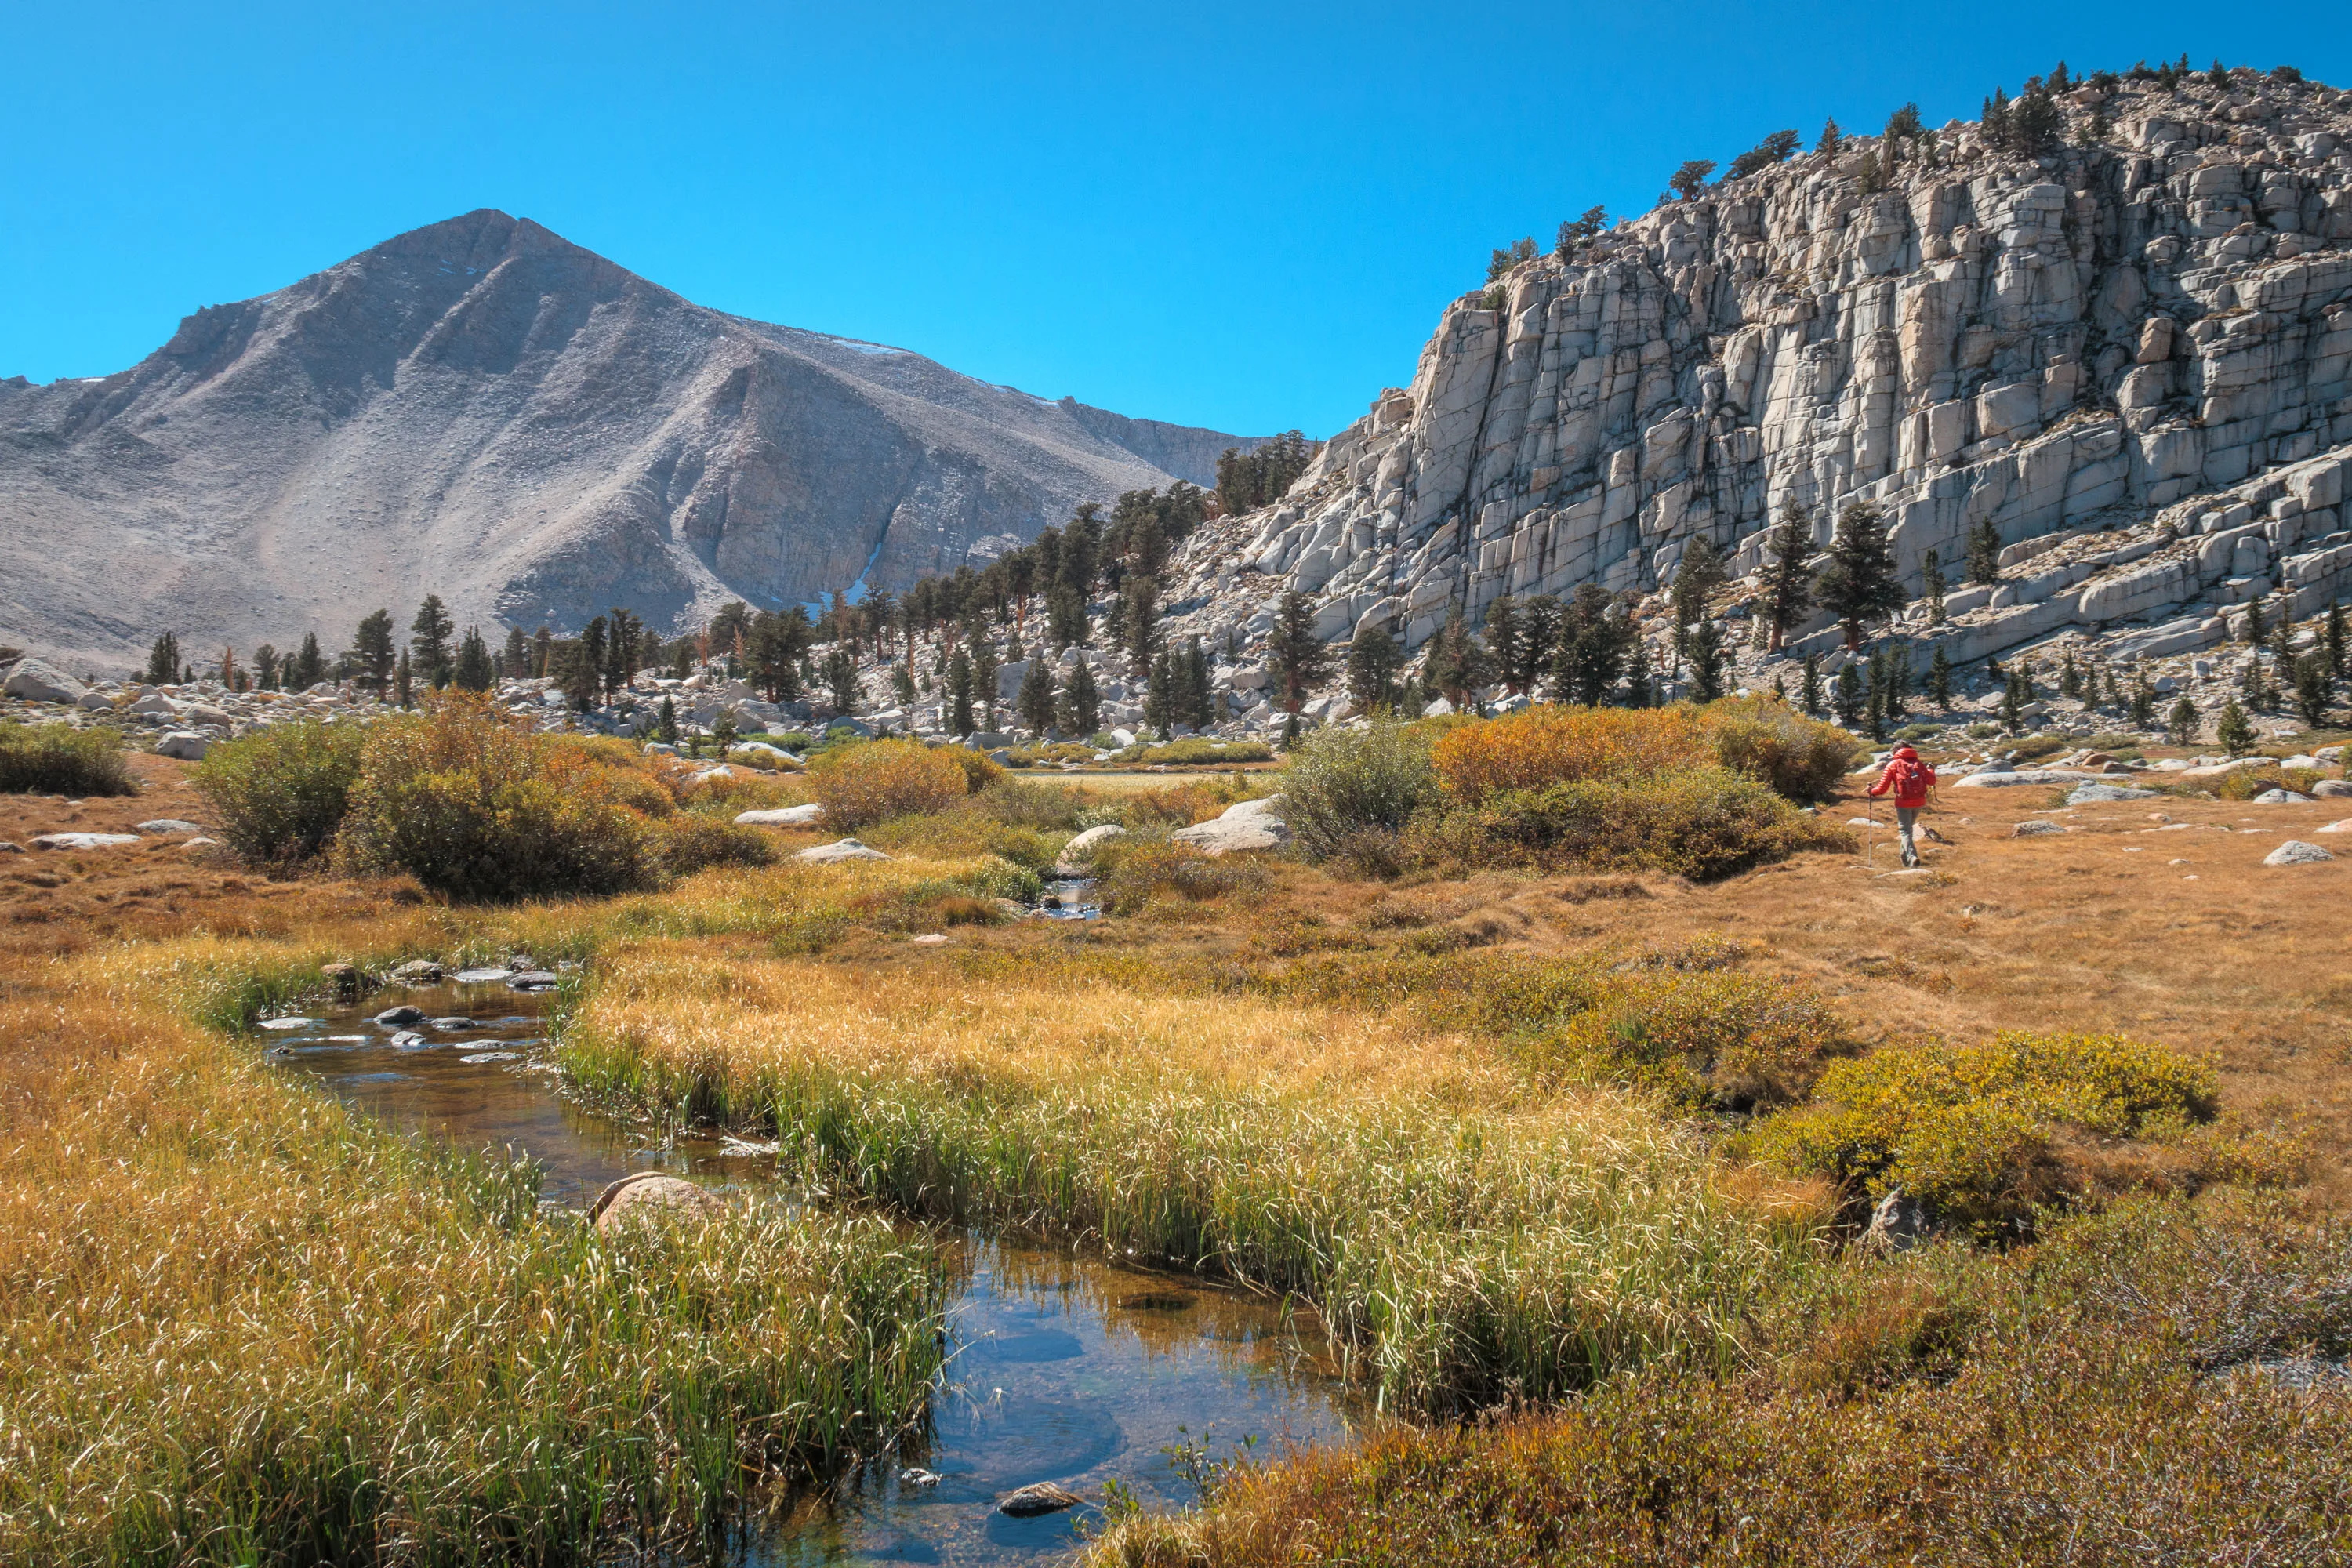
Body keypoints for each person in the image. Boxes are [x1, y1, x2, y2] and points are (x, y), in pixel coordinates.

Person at [1867, 742, 1936, 867]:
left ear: (1896, 752)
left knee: (1905, 831)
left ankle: (1912, 856)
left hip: (1903, 803)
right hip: (1919, 802)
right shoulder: (1918, 764)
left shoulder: (1893, 765)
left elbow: (1882, 789)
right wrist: (1931, 770)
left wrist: (1871, 791)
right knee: (1907, 830)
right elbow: (1931, 781)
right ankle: (1905, 860)